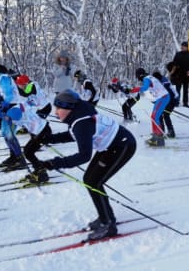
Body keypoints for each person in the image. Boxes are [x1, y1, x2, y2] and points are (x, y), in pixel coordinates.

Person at [37, 89, 137, 240]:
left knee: (94, 182)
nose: (56, 112)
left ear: (69, 108)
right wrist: (50, 139)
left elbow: (84, 156)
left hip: (122, 146)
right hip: (110, 145)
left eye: (58, 108)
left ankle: (108, 224)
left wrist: (54, 163)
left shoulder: (81, 122)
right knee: (90, 180)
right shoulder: (78, 114)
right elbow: (75, 135)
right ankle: (106, 217)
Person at [5, 103, 52, 183]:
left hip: (43, 133)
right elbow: (22, 105)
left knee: (28, 152)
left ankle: (42, 174)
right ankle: (39, 169)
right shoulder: (20, 110)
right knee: (28, 151)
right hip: (42, 130)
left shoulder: (20, 119)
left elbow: (13, 126)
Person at [131, 68, 169, 146]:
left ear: (140, 75)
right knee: (154, 117)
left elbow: (145, 88)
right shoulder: (150, 77)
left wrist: (133, 90)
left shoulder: (146, 78)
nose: (139, 79)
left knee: (155, 117)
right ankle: (155, 137)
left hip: (163, 97)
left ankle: (159, 139)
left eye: (138, 77)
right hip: (161, 97)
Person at [153, 71, 178, 138]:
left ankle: (171, 132)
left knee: (166, 115)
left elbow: (171, 95)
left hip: (172, 100)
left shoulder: (165, 83)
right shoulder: (161, 82)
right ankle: (161, 131)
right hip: (169, 100)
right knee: (160, 114)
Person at [172, 41, 189, 107]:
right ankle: (176, 102)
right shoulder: (178, 54)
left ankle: (185, 103)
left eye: (184, 46)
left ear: (186, 47)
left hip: (186, 75)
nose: (182, 47)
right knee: (177, 89)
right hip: (178, 75)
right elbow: (174, 63)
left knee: (185, 89)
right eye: (182, 46)